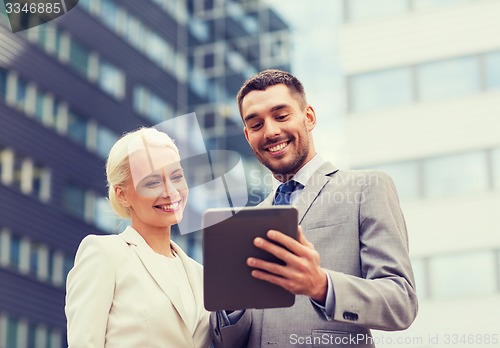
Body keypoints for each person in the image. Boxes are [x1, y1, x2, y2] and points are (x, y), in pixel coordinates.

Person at [210, 69, 418, 348]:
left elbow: (400, 302)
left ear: (309, 117)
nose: (271, 131)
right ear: (248, 137)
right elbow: (229, 341)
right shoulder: (244, 224)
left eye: (281, 116)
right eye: (256, 125)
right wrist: (230, 305)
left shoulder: (366, 188)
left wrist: (321, 285)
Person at [65, 127, 211, 348]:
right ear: (122, 194)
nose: (170, 191)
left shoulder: (200, 275)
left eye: (177, 177)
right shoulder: (105, 255)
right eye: (152, 182)